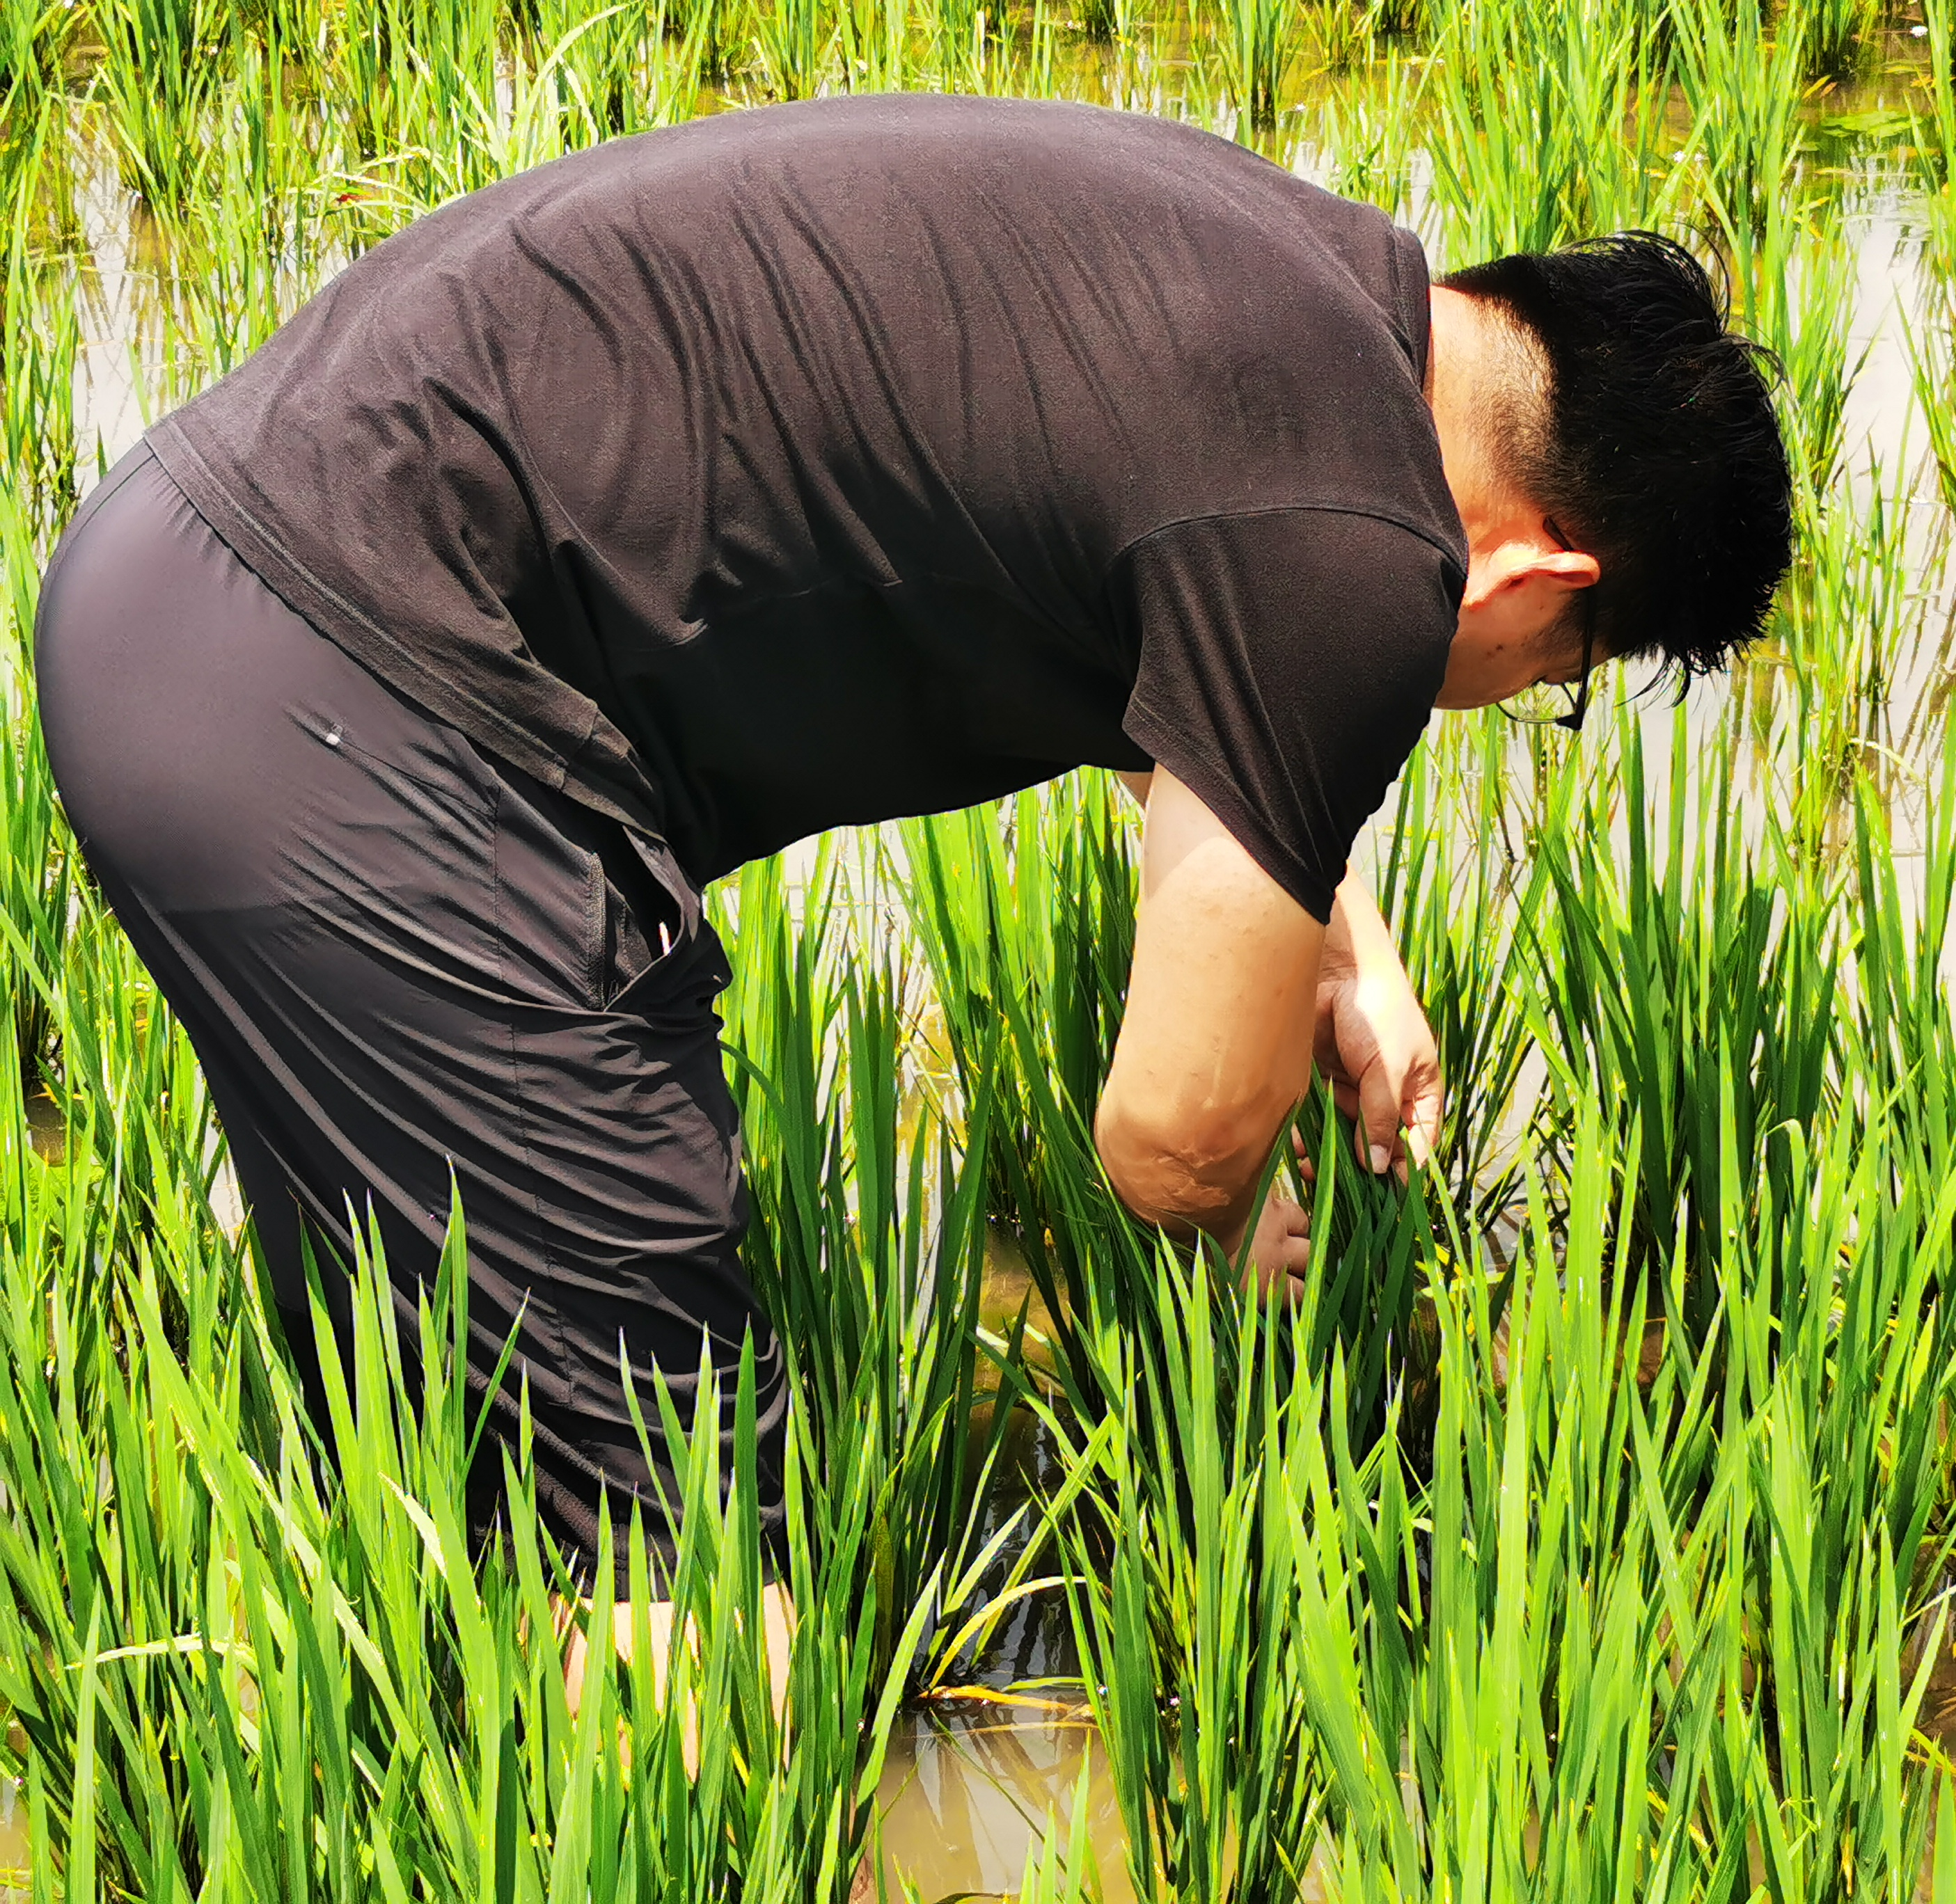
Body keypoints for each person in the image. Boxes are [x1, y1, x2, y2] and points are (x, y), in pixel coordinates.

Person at [33, 93, 1791, 1600]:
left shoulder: (1296, 284)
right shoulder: (1357, 551)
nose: (1490, 687)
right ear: (1543, 578)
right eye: (1558, 681)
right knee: (690, 1547)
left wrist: (1351, 951)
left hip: (195, 585)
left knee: (420, 1434)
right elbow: (1168, 1139)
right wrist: (1242, 1222)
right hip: (361, 712)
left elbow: (1203, 636)